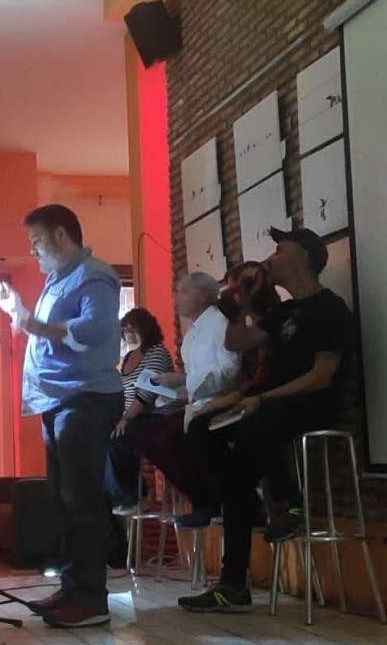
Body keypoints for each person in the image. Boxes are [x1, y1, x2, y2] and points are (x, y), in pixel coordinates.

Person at [178, 227, 356, 614]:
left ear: (304, 256)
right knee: (203, 432)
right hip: (267, 407)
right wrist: (240, 302)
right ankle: (233, 585)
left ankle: (288, 502)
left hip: (309, 403)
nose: (271, 258)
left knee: (256, 425)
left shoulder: (330, 309)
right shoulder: (284, 313)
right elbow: (237, 343)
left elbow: (321, 377)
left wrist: (260, 399)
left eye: (280, 250)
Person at [0, 204, 123, 628]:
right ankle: (72, 589)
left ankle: (91, 600)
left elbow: (95, 329)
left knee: (82, 502)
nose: (32, 251)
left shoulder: (94, 276)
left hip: (84, 399)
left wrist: (33, 324)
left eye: (37, 241)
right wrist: (17, 311)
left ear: (62, 235)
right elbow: (41, 330)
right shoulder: (58, 281)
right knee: (64, 500)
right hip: (58, 402)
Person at [151, 272, 242, 527]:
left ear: (202, 295)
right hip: (200, 403)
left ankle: (214, 501)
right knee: (153, 437)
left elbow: (230, 370)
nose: (176, 298)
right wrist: (175, 385)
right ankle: (204, 499)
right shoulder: (192, 333)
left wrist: (183, 380)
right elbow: (193, 379)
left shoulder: (221, 324)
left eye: (183, 291)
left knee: (172, 438)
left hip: (225, 402)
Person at [105, 308, 174, 514]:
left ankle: (137, 496)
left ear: (146, 328)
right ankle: (116, 496)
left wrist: (126, 418)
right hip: (132, 415)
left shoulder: (156, 352)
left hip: (155, 415)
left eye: (133, 329)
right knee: (101, 434)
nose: (129, 334)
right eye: (125, 330)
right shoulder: (127, 358)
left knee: (120, 436)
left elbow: (147, 392)